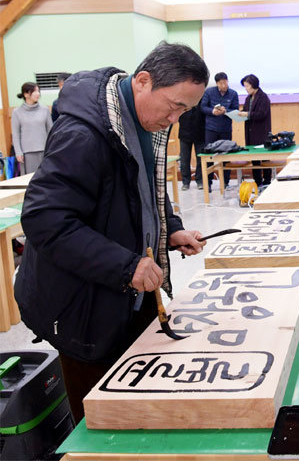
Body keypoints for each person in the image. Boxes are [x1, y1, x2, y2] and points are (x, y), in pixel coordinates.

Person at [14, 42, 210, 423]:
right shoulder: (84, 134)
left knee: (143, 410)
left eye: (185, 111)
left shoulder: (138, 118)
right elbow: (44, 219)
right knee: (104, 424)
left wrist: (170, 230)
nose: (175, 120)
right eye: (174, 106)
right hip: (83, 308)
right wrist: (126, 266)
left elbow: (144, 190)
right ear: (142, 81)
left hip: (127, 296)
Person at [200, 72, 239, 188]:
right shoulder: (209, 92)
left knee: (226, 155)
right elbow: (203, 107)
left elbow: (236, 109)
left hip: (226, 129)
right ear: (217, 83)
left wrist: (225, 111)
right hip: (211, 129)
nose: (224, 85)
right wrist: (213, 111)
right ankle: (208, 183)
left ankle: (226, 182)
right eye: (221, 83)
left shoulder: (233, 93)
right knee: (209, 156)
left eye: (226, 82)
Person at [11, 82, 53, 175]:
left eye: (38, 91)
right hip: (27, 153)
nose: (38, 94)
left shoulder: (45, 109)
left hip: (44, 151)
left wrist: (52, 149)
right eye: (34, 91)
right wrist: (18, 152)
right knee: (29, 180)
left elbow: (51, 131)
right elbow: (16, 134)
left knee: (46, 178)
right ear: (26, 94)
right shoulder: (17, 112)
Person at [239, 74, 272, 187]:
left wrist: (247, 114)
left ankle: (267, 182)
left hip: (261, 133)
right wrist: (239, 114)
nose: (246, 88)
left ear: (253, 85)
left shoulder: (263, 97)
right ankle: (257, 182)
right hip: (250, 133)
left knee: (265, 159)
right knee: (254, 159)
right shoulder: (248, 98)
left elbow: (261, 114)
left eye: (247, 86)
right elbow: (246, 111)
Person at [178, 101, 205, 190]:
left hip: (200, 133)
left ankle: (200, 181)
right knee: (184, 160)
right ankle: (185, 182)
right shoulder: (182, 100)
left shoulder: (202, 98)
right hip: (184, 133)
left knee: (200, 159)